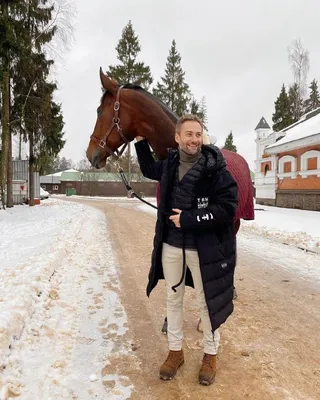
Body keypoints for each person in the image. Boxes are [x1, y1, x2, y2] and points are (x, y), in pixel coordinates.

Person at [135, 114, 238, 386]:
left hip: (203, 249)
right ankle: (176, 351)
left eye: (198, 134)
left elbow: (228, 208)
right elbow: (147, 168)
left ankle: (210, 355)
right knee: (173, 299)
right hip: (171, 246)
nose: (194, 139)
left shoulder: (216, 168)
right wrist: (139, 142)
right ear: (177, 137)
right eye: (188, 134)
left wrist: (190, 218)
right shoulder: (169, 164)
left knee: (207, 302)